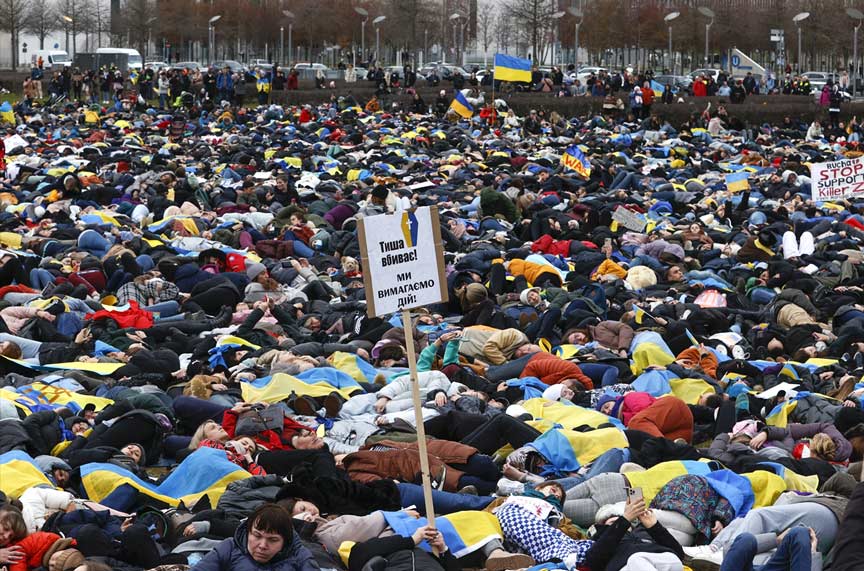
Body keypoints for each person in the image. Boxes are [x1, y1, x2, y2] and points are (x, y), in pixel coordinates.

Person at [193, 503, 319, 570]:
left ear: (285, 541)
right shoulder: (229, 548)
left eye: (273, 540)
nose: (262, 546)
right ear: (248, 532)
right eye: (257, 536)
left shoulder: (300, 556)